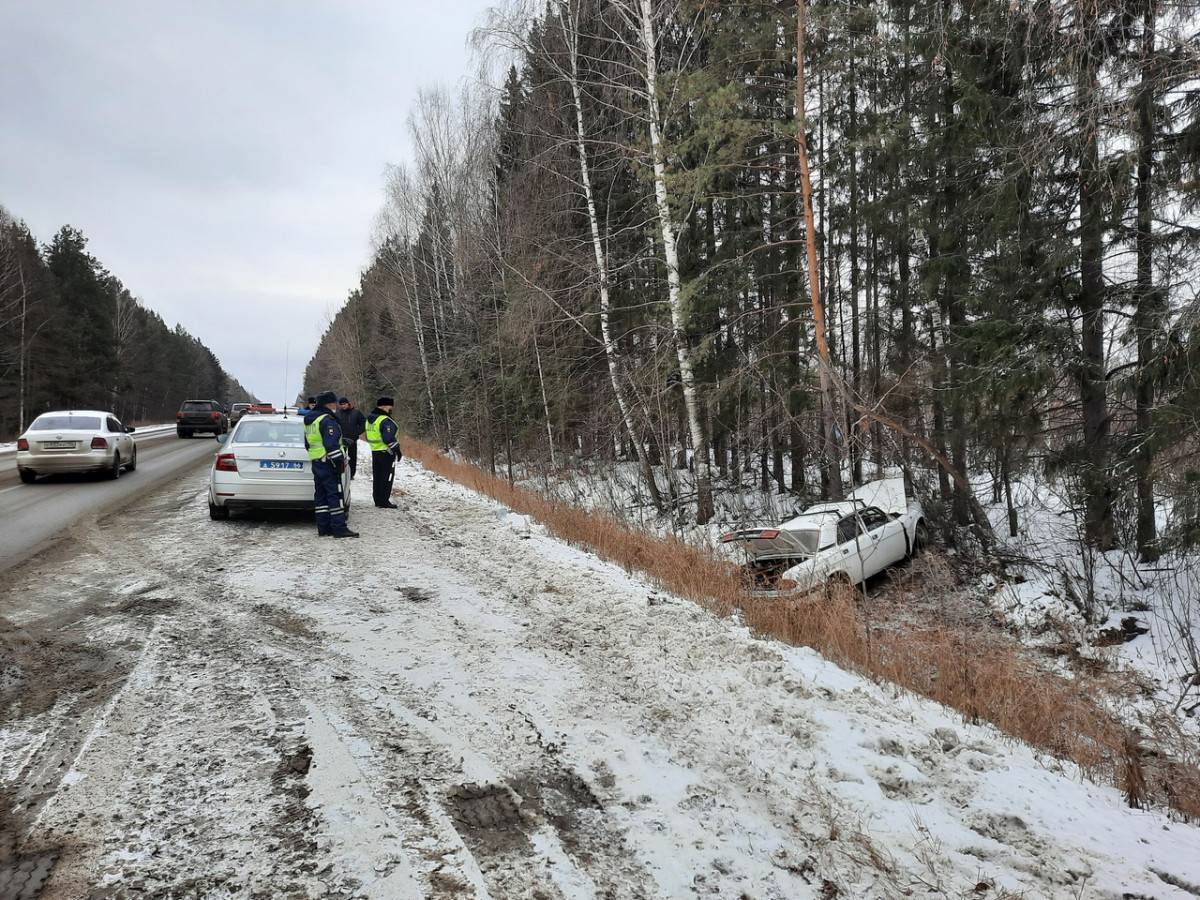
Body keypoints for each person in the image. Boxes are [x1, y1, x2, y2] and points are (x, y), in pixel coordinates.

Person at [302, 391, 358, 538]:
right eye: (334, 403)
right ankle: (339, 528)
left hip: (317, 462)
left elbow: (308, 444)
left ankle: (324, 527)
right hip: (328, 463)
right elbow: (331, 445)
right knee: (335, 495)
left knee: (320, 496)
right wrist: (339, 461)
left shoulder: (309, 420)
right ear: (330, 404)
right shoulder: (327, 420)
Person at [364, 396, 402, 508]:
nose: (391, 408)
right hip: (386, 452)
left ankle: (377, 499)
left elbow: (367, 436)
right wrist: (397, 450)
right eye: (390, 406)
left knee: (378, 476)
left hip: (375, 451)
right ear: (385, 406)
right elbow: (388, 438)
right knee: (387, 476)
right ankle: (384, 500)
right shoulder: (384, 420)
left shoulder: (370, 419)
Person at [334, 397, 367, 479]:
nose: (343, 406)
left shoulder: (356, 413)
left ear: (348, 404)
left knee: (352, 458)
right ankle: (341, 472)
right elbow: (334, 425)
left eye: (344, 404)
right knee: (341, 456)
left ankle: (351, 474)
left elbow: (363, 423)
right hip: (341, 439)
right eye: (341, 405)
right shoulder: (337, 414)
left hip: (353, 439)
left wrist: (358, 432)